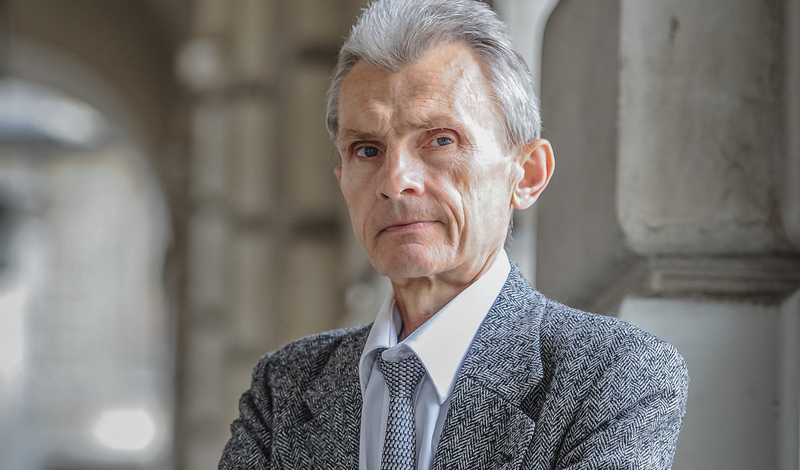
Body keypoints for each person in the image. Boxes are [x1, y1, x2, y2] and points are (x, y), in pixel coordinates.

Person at [219, 0, 689, 469]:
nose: (395, 181)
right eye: (367, 149)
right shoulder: (283, 388)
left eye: (441, 140)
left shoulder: (616, 374)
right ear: (343, 181)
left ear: (527, 174)